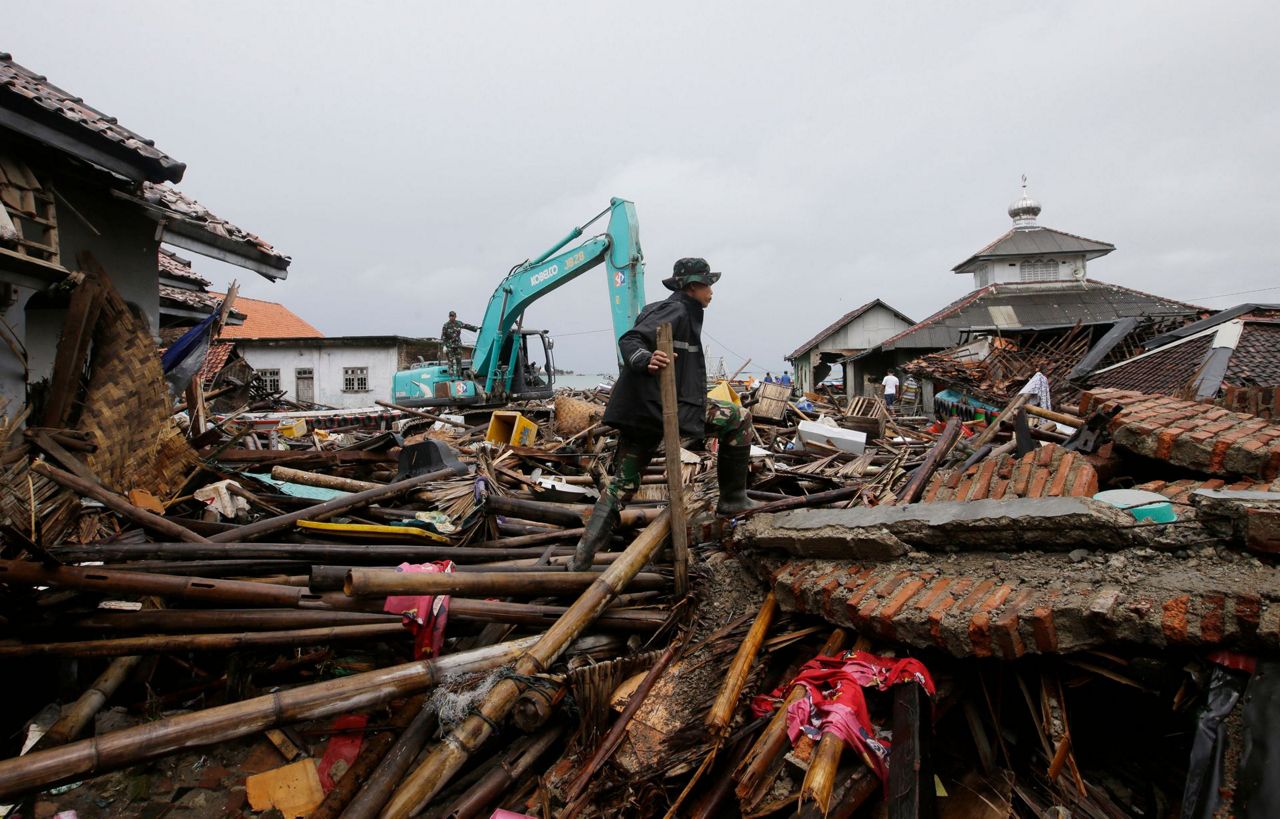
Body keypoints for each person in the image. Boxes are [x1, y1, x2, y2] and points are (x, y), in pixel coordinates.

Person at [572, 257, 758, 570]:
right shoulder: (677, 309)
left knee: (623, 483)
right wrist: (645, 357)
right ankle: (733, 499)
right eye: (708, 285)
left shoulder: (675, 310)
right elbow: (630, 340)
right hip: (663, 407)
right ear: (693, 286)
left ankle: (582, 557)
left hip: (643, 411)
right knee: (738, 418)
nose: (711, 291)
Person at [441, 310, 478, 377]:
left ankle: (458, 375)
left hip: (457, 345)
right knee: (450, 361)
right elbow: (443, 336)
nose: (451, 317)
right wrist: (444, 346)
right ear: (449, 317)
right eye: (450, 316)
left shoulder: (459, 323)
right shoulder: (446, 325)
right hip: (449, 346)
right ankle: (451, 376)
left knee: (459, 361)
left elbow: (467, 326)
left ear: (455, 316)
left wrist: (476, 328)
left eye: (453, 316)